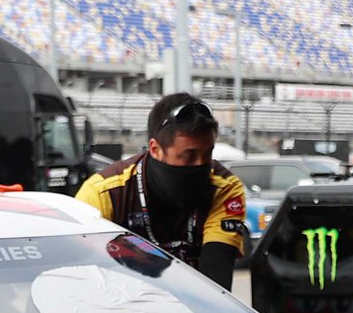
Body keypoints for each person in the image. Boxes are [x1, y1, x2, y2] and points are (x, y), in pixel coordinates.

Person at [75, 92, 248, 284]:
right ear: (155, 149)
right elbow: (82, 272)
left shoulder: (225, 188)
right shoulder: (104, 192)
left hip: (196, 301)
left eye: (207, 154)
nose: (201, 164)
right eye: (189, 156)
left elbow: (218, 276)